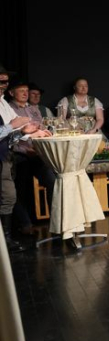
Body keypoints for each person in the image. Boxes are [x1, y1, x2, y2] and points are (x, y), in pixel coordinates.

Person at [0, 71, 50, 253]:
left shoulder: (4, 103)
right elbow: (10, 131)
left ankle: (6, 241)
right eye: (1, 82)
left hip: (9, 156)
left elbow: (12, 134)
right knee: (11, 194)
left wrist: (28, 132)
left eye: (5, 82)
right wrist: (15, 128)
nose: (4, 85)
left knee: (9, 196)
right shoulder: (8, 105)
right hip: (15, 156)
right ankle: (12, 235)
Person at [8, 81, 56, 235]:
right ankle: (25, 224)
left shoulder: (33, 108)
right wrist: (24, 149)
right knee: (20, 190)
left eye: (26, 90)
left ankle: (56, 222)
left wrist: (44, 136)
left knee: (52, 182)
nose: (25, 93)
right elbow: (8, 136)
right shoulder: (8, 109)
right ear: (11, 93)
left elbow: (40, 127)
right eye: (21, 90)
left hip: (36, 154)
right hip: (18, 155)